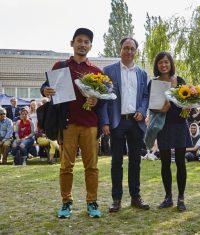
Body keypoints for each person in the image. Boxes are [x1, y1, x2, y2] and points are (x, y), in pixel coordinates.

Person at [41, 28, 104, 218]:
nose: (82, 44)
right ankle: (66, 203)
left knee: (91, 167)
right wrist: (45, 90)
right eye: (79, 41)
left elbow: (103, 97)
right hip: (67, 124)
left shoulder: (96, 72)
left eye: (86, 42)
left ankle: (92, 202)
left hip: (90, 124)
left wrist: (97, 100)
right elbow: (45, 86)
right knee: (66, 166)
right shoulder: (60, 66)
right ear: (72, 43)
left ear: (90, 46)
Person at [100, 37, 150, 212]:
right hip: (117, 122)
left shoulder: (142, 74)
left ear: (136, 51)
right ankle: (116, 199)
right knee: (116, 162)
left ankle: (135, 197)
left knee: (135, 161)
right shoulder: (108, 71)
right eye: (126, 48)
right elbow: (103, 98)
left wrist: (142, 111)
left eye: (132, 49)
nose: (129, 52)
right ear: (120, 49)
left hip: (136, 123)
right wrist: (105, 121)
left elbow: (145, 96)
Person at [148, 51, 189, 211]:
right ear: (157, 66)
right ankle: (168, 197)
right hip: (163, 125)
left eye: (166, 62)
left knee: (180, 162)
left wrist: (187, 108)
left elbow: (188, 102)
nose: (164, 65)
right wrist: (160, 109)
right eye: (160, 63)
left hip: (179, 125)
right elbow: (151, 107)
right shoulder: (153, 83)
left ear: (171, 64)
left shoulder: (179, 81)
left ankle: (181, 198)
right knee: (165, 162)